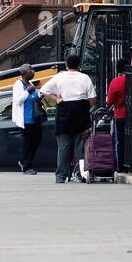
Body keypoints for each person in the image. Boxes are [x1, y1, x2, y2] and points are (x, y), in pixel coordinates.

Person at [39, 53, 97, 183]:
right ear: (79, 65)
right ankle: (83, 174)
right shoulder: (85, 78)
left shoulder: (60, 77)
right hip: (81, 111)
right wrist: (85, 108)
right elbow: (92, 98)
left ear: (66, 65)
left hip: (64, 110)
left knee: (64, 147)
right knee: (81, 146)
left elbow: (44, 90)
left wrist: (56, 98)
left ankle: (61, 175)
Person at [11, 65, 44, 175]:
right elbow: (18, 101)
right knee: (28, 143)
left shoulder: (31, 84)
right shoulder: (18, 85)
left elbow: (34, 98)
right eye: (31, 70)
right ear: (24, 73)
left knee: (37, 141)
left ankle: (25, 161)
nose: (33, 72)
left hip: (35, 118)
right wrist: (27, 92)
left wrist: (40, 96)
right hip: (26, 119)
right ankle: (26, 166)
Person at [105, 59, 129, 171]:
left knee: (120, 143)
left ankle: (121, 167)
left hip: (120, 115)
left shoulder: (115, 82)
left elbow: (109, 101)